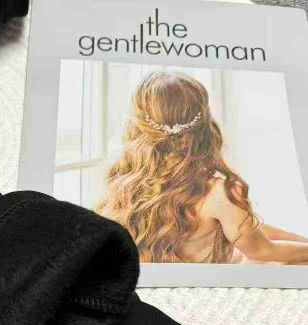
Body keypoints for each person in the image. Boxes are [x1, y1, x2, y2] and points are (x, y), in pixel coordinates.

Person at [97, 71, 308, 264]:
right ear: (205, 125)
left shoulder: (122, 177)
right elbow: (262, 250)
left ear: (137, 124)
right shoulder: (219, 193)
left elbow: (249, 228)